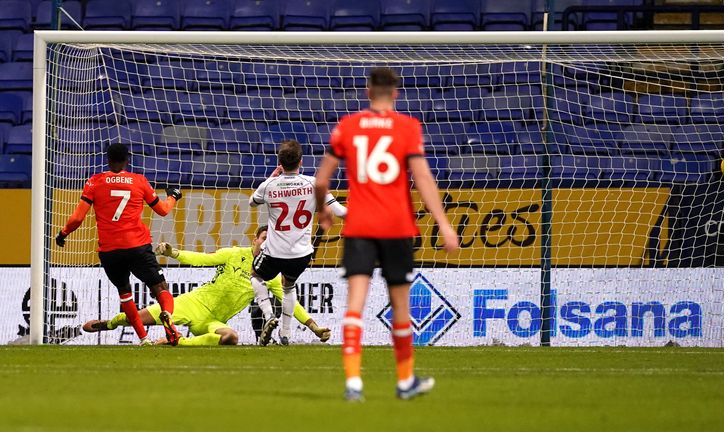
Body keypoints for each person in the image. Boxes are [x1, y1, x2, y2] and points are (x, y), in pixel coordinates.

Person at [314, 67, 459, 401]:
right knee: (401, 306)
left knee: (355, 305)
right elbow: (423, 178)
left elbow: (321, 181)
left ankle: (353, 384)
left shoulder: (348, 126)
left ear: (367, 92)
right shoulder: (408, 127)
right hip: (396, 227)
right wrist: (444, 223)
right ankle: (405, 381)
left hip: (360, 226)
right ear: (395, 93)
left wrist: (323, 210)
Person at [82, 226, 332, 345]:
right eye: (264, 238)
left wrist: (315, 328)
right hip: (193, 303)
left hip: (213, 320)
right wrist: (173, 253)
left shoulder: (270, 272)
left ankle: (177, 343)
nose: (266, 244)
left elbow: (294, 305)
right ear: (254, 239)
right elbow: (202, 259)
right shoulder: (234, 253)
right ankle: (108, 324)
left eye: (271, 240)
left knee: (231, 337)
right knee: (136, 317)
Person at [55, 143, 182, 346]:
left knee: (125, 294)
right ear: (127, 160)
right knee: (160, 287)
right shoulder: (139, 181)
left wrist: (63, 233)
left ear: (107, 159)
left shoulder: (94, 182)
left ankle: (143, 339)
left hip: (110, 251)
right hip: (137, 245)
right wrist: (173, 197)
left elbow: (78, 217)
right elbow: (163, 210)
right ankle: (167, 316)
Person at [250, 139, 347, 346]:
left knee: (256, 275)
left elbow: (252, 202)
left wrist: (271, 179)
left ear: (280, 162)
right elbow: (341, 212)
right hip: (301, 254)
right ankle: (285, 334)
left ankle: (268, 316)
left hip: (274, 253)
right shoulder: (314, 184)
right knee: (288, 286)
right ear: (301, 162)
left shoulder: (269, 185)